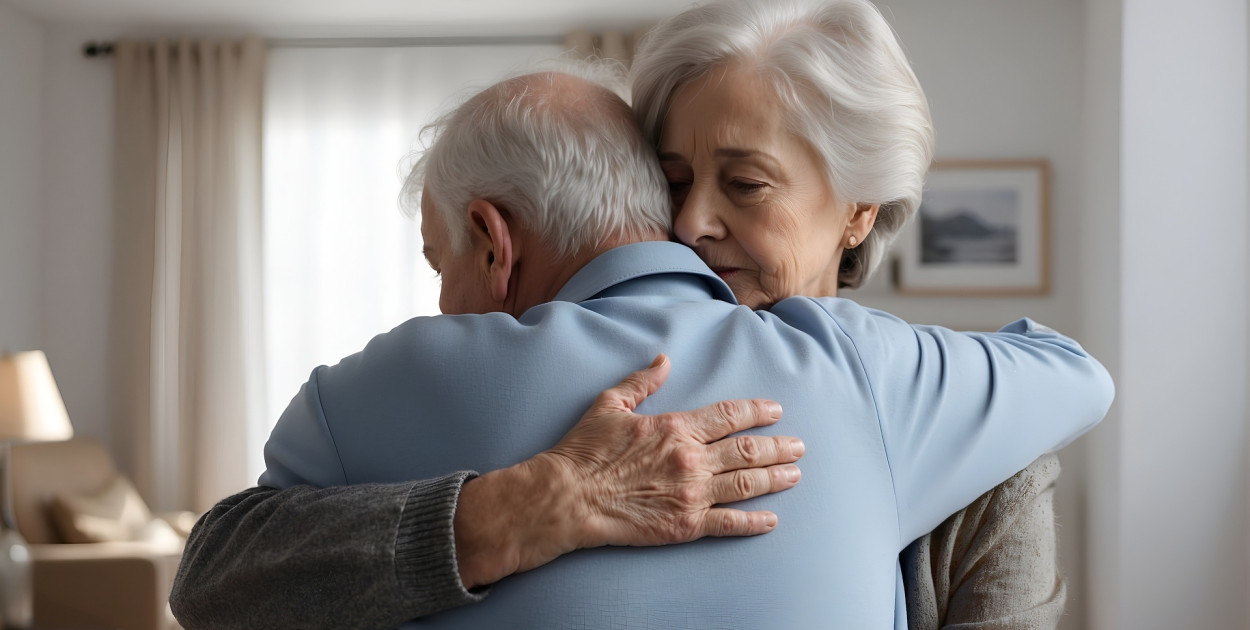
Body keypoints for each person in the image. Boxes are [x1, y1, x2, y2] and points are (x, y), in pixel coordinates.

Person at [172, 59, 1112, 630]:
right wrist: (513, 511)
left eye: (746, 184)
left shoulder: (387, 384)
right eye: (681, 182)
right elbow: (1078, 373)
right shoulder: (873, 371)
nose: (702, 221)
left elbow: (210, 583)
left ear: (494, 243)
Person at [627, 0, 1070, 626]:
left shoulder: (986, 457)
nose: (689, 221)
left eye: (746, 184)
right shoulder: (604, 402)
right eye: (674, 182)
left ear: (859, 210)